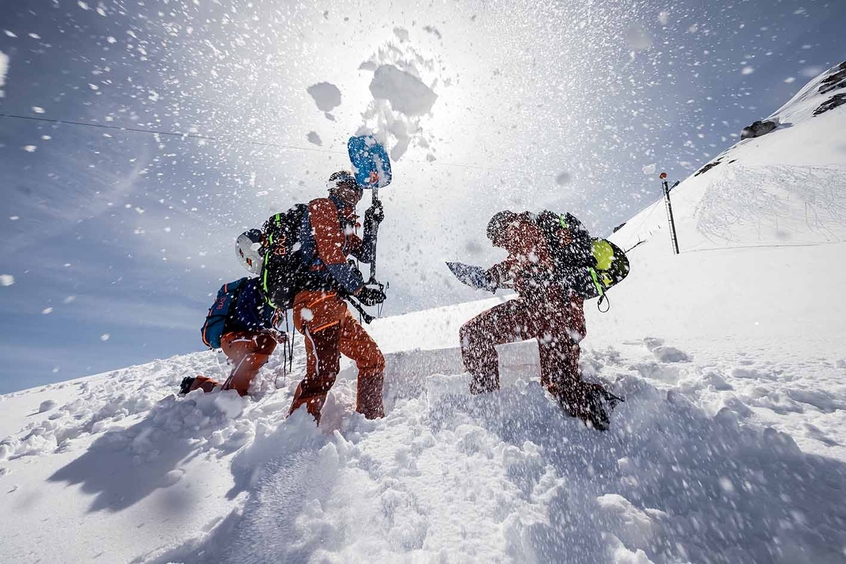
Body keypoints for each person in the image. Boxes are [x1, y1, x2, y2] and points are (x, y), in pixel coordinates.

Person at [459, 210, 615, 430]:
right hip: (564, 318)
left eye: (496, 241)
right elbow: (536, 268)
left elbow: (524, 261)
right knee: (561, 386)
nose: (498, 246)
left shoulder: (518, 227)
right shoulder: (544, 232)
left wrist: (489, 277)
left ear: (500, 228)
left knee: (473, 333)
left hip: (545, 312)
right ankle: (604, 423)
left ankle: (486, 405)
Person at [286, 170, 387, 423]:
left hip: (334, 304)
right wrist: (360, 290)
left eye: (357, 190)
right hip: (315, 302)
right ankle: (297, 434)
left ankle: (370, 421)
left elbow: (364, 253)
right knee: (324, 373)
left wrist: (371, 223)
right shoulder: (322, 208)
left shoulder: (346, 222)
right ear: (334, 188)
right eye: (347, 188)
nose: (353, 193)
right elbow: (331, 255)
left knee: (372, 359)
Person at [182, 276, 284, 396]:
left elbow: (265, 325)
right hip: (232, 338)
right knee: (264, 342)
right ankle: (233, 396)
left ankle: (196, 385)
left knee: (264, 343)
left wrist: (275, 333)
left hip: (244, 340)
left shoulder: (274, 301)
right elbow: (243, 311)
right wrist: (264, 330)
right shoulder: (254, 285)